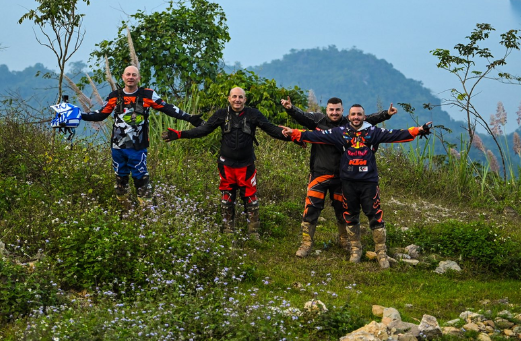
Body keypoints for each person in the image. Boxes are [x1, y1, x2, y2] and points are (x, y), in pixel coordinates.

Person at [282, 105, 430, 267]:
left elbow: (395, 134)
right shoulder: (340, 132)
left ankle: (382, 254)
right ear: (349, 116)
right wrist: (295, 133)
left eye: (359, 114)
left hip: (369, 182)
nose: (356, 117)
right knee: (350, 215)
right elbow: (317, 135)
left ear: (364, 116)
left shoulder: (373, 132)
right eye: (353, 114)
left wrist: (418, 130)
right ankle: (355, 250)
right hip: (347, 182)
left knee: (375, 215)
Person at [162, 87, 288, 239]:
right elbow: (204, 130)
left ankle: (254, 233)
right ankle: (228, 231)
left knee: (251, 199)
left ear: (245, 100)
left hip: (246, 165)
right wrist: (180, 134)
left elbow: (272, 129)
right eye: (234, 97)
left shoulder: (253, 114)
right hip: (226, 165)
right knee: (227, 198)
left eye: (240, 97)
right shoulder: (221, 114)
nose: (237, 100)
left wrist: (294, 136)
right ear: (229, 98)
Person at [280, 96, 396, 258]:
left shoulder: (348, 124)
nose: (334, 113)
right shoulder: (317, 121)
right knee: (311, 208)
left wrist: (386, 114)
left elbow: (367, 118)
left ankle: (345, 241)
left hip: (343, 177)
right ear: (326, 110)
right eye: (331, 110)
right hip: (319, 173)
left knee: (343, 211)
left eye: (337, 110)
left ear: (343, 111)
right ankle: (305, 244)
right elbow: (302, 117)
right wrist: (290, 108)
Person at [81, 65, 203, 213]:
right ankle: (125, 211)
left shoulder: (147, 95)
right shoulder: (115, 96)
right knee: (120, 179)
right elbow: (100, 114)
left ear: (138, 78)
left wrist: (189, 118)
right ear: (123, 77)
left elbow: (167, 107)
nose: (131, 77)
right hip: (117, 146)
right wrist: (79, 115)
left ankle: (147, 213)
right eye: (128, 74)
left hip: (137, 146)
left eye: (134, 75)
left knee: (141, 178)